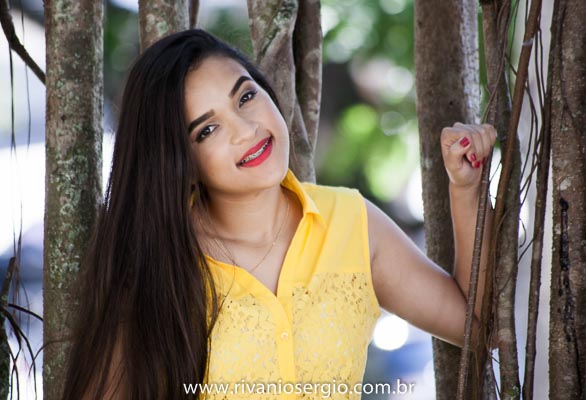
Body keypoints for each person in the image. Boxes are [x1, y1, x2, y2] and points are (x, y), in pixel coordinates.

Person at [61, 29, 496, 399]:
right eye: (208, 129)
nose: (246, 130)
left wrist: (466, 189)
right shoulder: (158, 268)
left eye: (245, 96)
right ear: (180, 162)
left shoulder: (350, 222)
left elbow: (478, 327)